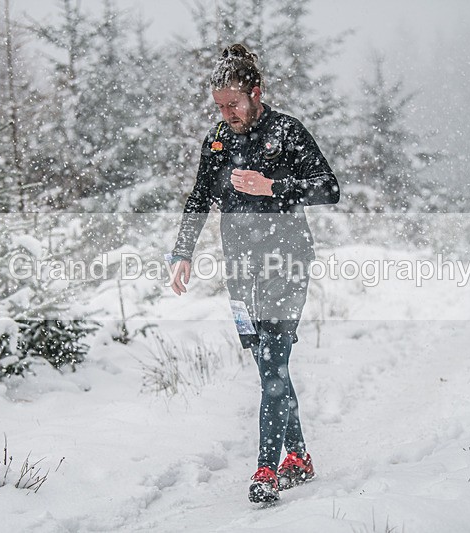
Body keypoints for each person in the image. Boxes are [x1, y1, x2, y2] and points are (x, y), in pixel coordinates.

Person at [168, 43, 340, 503]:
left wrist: (274, 186)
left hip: (287, 262)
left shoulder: (287, 132)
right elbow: (200, 198)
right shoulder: (217, 141)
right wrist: (182, 251)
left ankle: (266, 469)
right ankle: (298, 457)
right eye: (219, 107)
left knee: (273, 363)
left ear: (256, 94)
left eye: (233, 105)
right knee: (267, 367)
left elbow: (330, 188)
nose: (226, 114)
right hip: (241, 271)